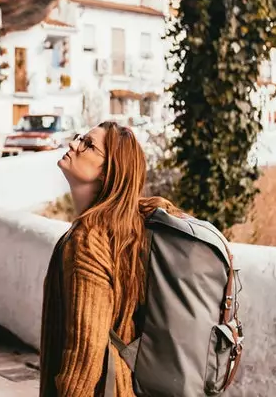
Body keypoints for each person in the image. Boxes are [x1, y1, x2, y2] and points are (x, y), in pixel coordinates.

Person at [39, 121, 179, 397]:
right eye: (80, 138)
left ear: (108, 173)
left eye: (88, 145)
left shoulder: (88, 242)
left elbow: (84, 356)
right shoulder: (125, 231)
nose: (73, 145)